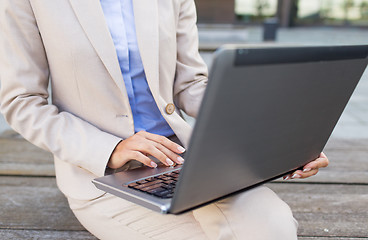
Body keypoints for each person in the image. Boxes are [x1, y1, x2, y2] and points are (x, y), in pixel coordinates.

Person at [0, 0, 329, 239]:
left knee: (274, 229)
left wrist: (279, 136)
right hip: (103, 175)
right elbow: (22, 102)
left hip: (186, 160)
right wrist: (109, 149)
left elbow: (190, 85)